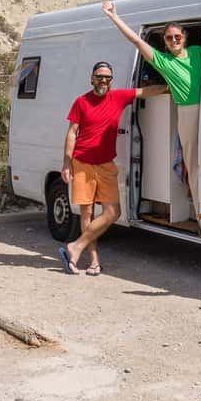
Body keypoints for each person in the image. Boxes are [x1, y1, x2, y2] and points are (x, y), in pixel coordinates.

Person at [58, 60, 167, 276]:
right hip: (82, 163)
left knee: (112, 212)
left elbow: (144, 91)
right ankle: (93, 261)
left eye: (107, 78)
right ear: (92, 78)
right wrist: (66, 162)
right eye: (99, 76)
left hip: (106, 164)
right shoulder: (81, 102)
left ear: (111, 81)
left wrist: (169, 87)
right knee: (87, 212)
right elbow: (72, 132)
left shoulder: (119, 97)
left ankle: (75, 246)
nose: (103, 81)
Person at [101, 1, 201, 218]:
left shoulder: (197, 51)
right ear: (164, 43)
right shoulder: (164, 61)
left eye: (177, 36)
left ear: (185, 37)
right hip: (188, 112)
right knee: (194, 164)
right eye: (169, 38)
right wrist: (113, 17)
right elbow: (137, 41)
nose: (174, 40)